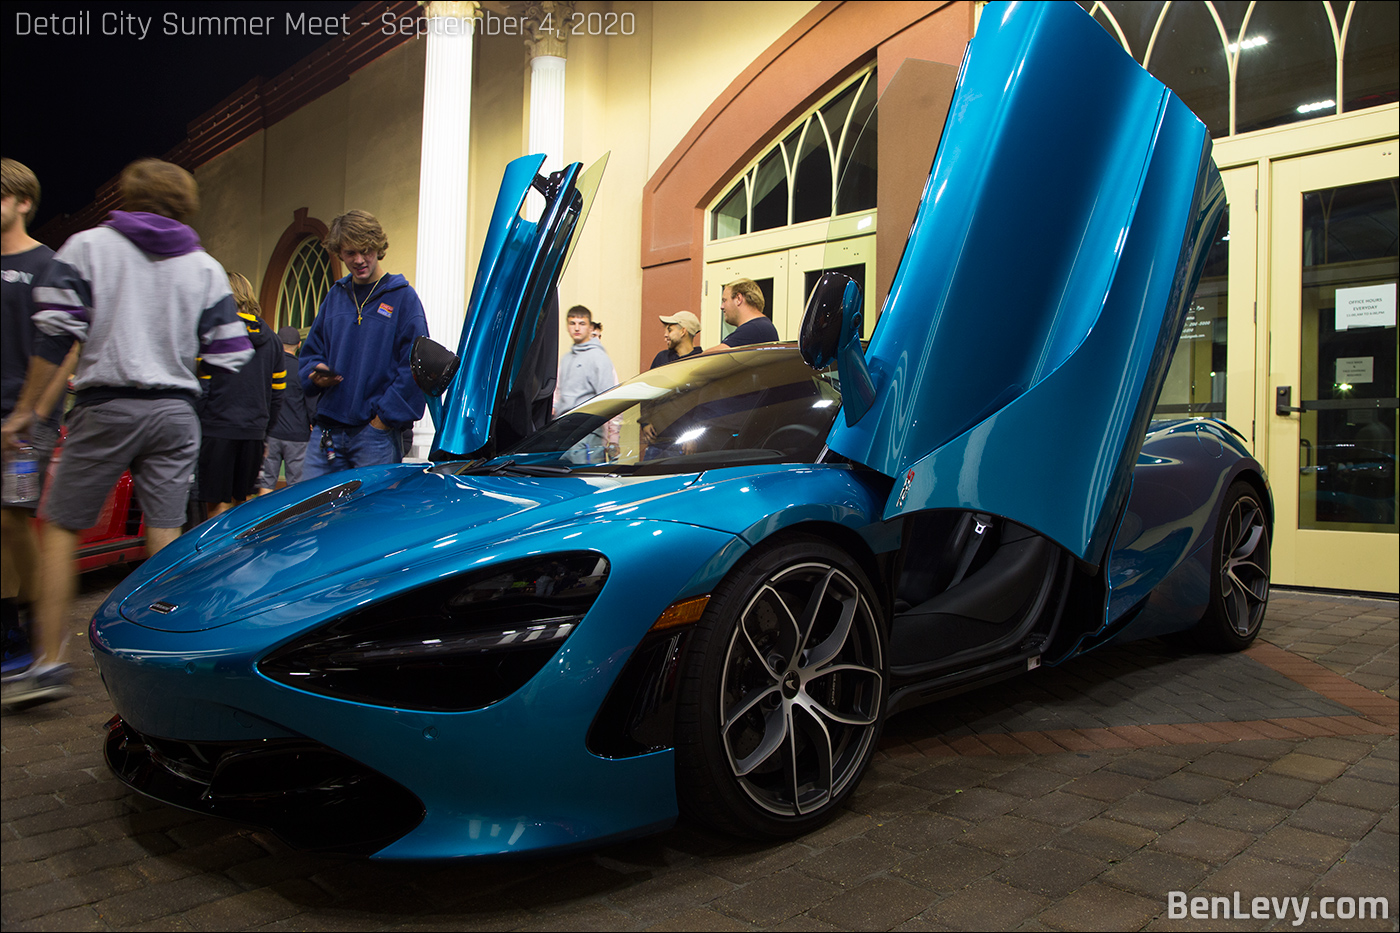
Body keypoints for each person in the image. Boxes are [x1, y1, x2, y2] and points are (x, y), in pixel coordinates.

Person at [1, 158, 252, 707]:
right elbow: (231, 355)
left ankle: (48, 664)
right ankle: (157, 662)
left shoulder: (87, 248)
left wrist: (23, 412)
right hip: (175, 412)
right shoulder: (205, 267)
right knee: (162, 534)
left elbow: (53, 340)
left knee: (62, 530)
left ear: (128, 195)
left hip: (106, 405)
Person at [299, 210, 428, 478]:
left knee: (371, 518)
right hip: (327, 435)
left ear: (379, 248)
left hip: (375, 436)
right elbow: (310, 354)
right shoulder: (334, 297)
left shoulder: (403, 298)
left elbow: (415, 367)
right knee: (311, 515)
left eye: (366, 250)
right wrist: (315, 373)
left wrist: (382, 421)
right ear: (339, 253)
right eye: (349, 253)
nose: (359, 260)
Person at [1, 159, 56, 679]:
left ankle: (34, 631)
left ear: (22, 202)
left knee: (11, 518)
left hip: (26, 420)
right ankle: (10, 629)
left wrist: (33, 412)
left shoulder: (47, 264)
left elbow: (64, 347)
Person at [195, 273, 284, 517]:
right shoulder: (273, 341)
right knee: (243, 503)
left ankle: (215, 556)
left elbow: (203, 385)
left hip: (217, 430)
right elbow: (278, 394)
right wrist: (265, 431)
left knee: (216, 504)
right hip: (254, 433)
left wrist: (200, 422)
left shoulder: (215, 333)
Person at [554, 304, 618, 460]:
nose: (576, 328)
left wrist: (614, 438)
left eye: (581, 324)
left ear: (589, 328)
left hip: (587, 433)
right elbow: (558, 397)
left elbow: (610, 400)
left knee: (584, 479)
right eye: (572, 323)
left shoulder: (599, 358)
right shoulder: (566, 359)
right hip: (563, 434)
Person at [257, 326, 312, 494]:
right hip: (297, 435)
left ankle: (262, 519)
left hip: (271, 433)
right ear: (299, 344)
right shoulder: (303, 370)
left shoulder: (268, 367)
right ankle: (294, 520)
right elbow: (311, 404)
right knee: (296, 486)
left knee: (266, 482)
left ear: (278, 343)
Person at [719, 278, 778, 347]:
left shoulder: (755, 329)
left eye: (724, 300)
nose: (722, 307)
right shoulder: (760, 327)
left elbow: (712, 356)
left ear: (738, 299)